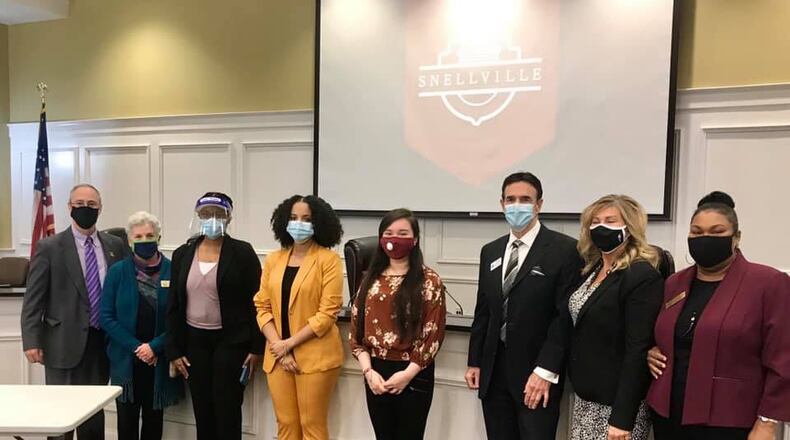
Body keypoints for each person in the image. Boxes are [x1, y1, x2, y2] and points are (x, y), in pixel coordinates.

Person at [646, 191, 790, 440]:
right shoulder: (674, 283)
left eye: (717, 232)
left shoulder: (768, 283)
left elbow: (783, 358)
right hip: (669, 414)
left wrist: (767, 422)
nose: (705, 238)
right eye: (697, 232)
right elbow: (668, 333)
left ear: (737, 238)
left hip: (730, 420)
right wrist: (654, 350)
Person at [465, 172, 582, 440]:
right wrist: (475, 361)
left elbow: (564, 318)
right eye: (511, 199)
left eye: (525, 199)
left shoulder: (564, 250)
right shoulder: (490, 251)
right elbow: (484, 310)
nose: (517, 205)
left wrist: (545, 371)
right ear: (502, 203)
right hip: (494, 375)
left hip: (537, 375)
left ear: (539, 204)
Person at [548, 195, 663, 440]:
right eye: (596, 221)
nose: (601, 227)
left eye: (610, 221)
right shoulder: (591, 269)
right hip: (586, 398)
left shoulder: (641, 276)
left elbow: (637, 351)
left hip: (617, 406)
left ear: (629, 228)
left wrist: (622, 418)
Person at [20, 183, 127, 440]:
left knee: (92, 413)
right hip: (61, 342)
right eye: (79, 204)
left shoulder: (115, 245)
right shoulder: (50, 247)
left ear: (100, 209)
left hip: (102, 342)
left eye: (91, 205)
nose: (85, 209)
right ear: (69, 207)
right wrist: (31, 340)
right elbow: (33, 299)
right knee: (60, 414)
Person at [165, 192, 263, 440]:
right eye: (206, 214)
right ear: (198, 217)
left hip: (231, 342)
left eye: (219, 214)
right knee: (202, 409)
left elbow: (257, 301)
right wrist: (174, 350)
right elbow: (174, 304)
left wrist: (256, 347)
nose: (212, 219)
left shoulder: (242, 253)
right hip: (194, 342)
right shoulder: (182, 254)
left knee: (227, 409)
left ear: (229, 217)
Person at [350, 208, 447, 440]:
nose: (395, 239)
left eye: (403, 233)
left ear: (414, 240)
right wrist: (368, 371)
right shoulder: (369, 280)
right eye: (389, 232)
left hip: (414, 372)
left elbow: (433, 336)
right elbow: (356, 334)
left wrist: (407, 375)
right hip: (375, 372)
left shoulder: (429, 280)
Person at [254, 195, 345, 440]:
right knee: (286, 425)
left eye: (306, 219)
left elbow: (327, 314)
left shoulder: (329, 260)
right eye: (293, 218)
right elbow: (261, 306)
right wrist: (278, 347)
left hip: (315, 356)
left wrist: (288, 345)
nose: (299, 224)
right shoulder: (274, 259)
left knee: (311, 426)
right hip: (277, 357)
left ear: (319, 223)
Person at [100, 211, 183, 440]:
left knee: (153, 424)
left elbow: (180, 318)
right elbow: (106, 316)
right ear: (129, 241)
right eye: (138, 236)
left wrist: (154, 347)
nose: (144, 240)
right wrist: (139, 348)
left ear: (158, 237)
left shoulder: (173, 270)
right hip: (126, 361)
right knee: (126, 424)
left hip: (158, 360)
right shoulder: (117, 272)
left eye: (149, 235)